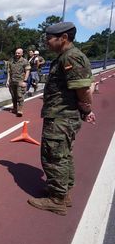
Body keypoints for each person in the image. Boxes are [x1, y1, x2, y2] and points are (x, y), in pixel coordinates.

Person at [28, 22, 96, 216]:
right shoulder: (65, 57)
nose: (46, 42)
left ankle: (57, 199)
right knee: (63, 154)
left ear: (63, 38)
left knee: (53, 156)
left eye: (49, 38)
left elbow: (83, 89)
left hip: (61, 117)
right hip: (62, 115)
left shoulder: (71, 57)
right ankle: (63, 192)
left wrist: (87, 108)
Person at [6, 48, 30, 117]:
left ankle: (20, 110)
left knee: (20, 95)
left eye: (18, 53)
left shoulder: (25, 61)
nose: (17, 54)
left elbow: (27, 71)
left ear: (22, 54)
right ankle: (14, 108)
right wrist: (7, 80)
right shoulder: (11, 61)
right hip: (12, 81)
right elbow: (9, 71)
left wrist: (25, 80)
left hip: (20, 81)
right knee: (13, 96)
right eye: (16, 53)